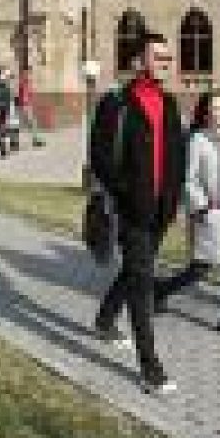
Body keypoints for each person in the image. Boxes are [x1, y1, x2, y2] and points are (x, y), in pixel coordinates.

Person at [91, 30, 186, 394]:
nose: (166, 62)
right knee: (143, 282)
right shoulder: (117, 103)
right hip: (132, 210)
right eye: (158, 56)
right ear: (138, 61)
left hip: (161, 209)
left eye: (168, 57)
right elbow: (100, 156)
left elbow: (177, 155)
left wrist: (175, 199)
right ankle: (150, 367)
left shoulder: (170, 103)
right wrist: (124, 192)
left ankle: (104, 319)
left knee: (135, 270)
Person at [154, 91, 220, 340]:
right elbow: (189, 179)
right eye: (213, 109)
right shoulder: (197, 140)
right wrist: (202, 206)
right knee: (200, 269)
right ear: (205, 113)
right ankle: (161, 289)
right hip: (211, 213)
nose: (218, 113)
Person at [16, 65, 45, 148]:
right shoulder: (23, 83)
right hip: (25, 105)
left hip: (26, 105)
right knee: (30, 123)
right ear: (24, 73)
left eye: (30, 72)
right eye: (28, 72)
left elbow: (29, 94)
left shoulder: (27, 82)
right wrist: (25, 104)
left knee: (28, 124)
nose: (29, 74)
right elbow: (23, 95)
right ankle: (35, 140)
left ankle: (35, 140)